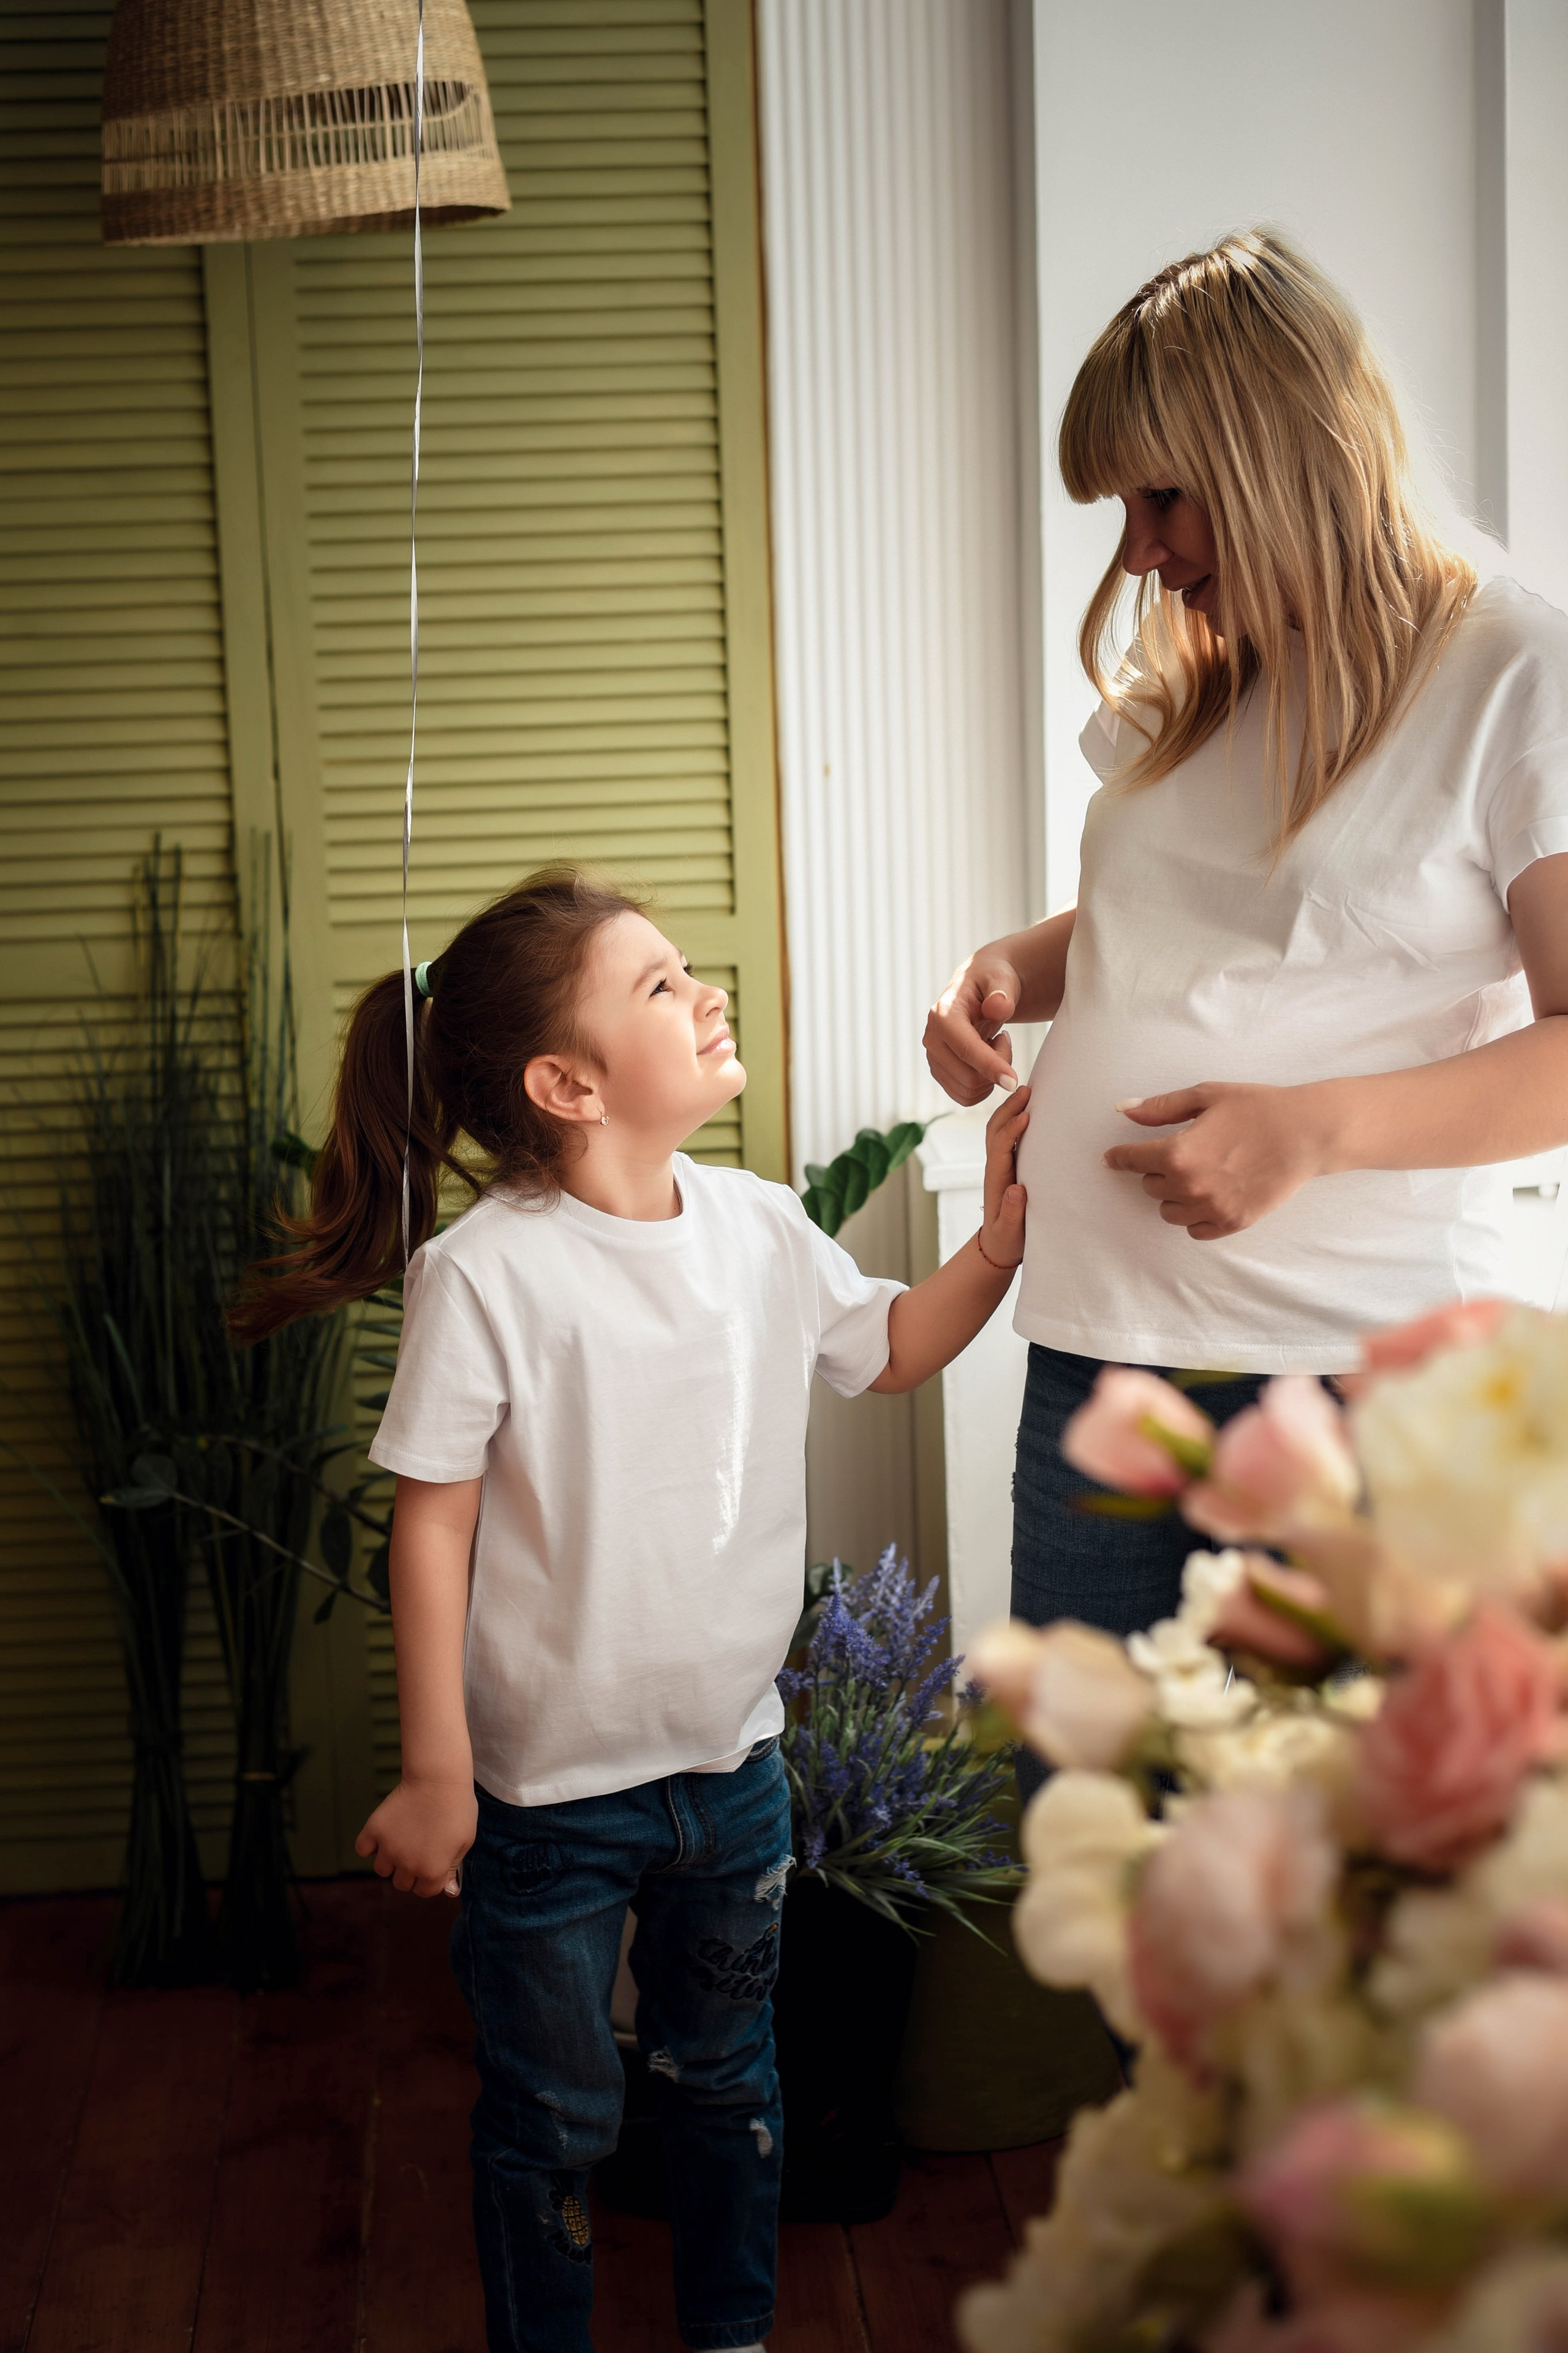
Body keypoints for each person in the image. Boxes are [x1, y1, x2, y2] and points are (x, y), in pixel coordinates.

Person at [232, 867, 1029, 2353]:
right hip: (546, 1806)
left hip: (732, 1772)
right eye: (659, 983)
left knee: (728, 2084)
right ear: (567, 1085)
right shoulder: (483, 1274)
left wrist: (994, 1240)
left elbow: (892, 1345)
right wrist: (436, 1771)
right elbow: (432, 1520)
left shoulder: (760, 1225)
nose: (704, 990)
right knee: (553, 2117)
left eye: (685, 968)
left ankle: (729, 2336)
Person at [925, 228, 1568, 1701]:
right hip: (1096, 1358)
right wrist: (1003, 972)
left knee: (1320, 1828)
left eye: (1162, 497)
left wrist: (1309, 1131)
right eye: (1121, 510)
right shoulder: (1212, 676)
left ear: (1286, 453)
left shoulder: (1512, 675)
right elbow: (1169, 924)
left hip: (1353, 1381)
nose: (1136, 553)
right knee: (1080, 1810)